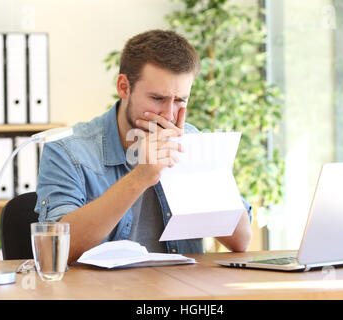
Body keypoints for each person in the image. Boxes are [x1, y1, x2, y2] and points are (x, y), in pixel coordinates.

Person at [35, 29, 252, 264]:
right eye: (157, 99)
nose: (168, 114)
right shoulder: (68, 151)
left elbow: (241, 241)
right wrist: (140, 177)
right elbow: (54, 250)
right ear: (124, 87)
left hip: (181, 293)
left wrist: (194, 163)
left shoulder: (190, 140)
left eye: (180, 100)